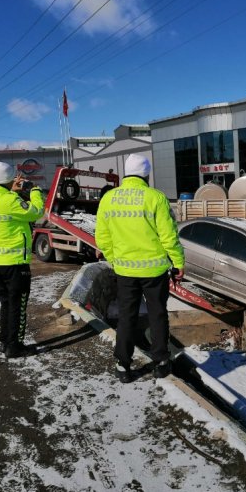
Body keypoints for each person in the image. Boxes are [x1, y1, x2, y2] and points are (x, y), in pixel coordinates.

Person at [95, 154, 185, 383]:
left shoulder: (109, 199)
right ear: (146, 174)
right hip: (154, 272)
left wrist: (116, 260)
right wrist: (178, 263)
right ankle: (161, 362)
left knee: (127, 316)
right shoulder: (155, 198)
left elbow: (102, 238)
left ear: (126, 172)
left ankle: (123, 365)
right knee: (157, 315)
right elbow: (169, 236)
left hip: (125, 271)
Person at [0, 162, 44, 358]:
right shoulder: (9, 201)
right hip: (15, 262)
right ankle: (15, 346)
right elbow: (36, 212)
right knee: (18, 305)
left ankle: (5, 341)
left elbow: (6, 205)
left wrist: (12, 191)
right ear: (9, 180)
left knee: (6, 303)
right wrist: (35, 191)